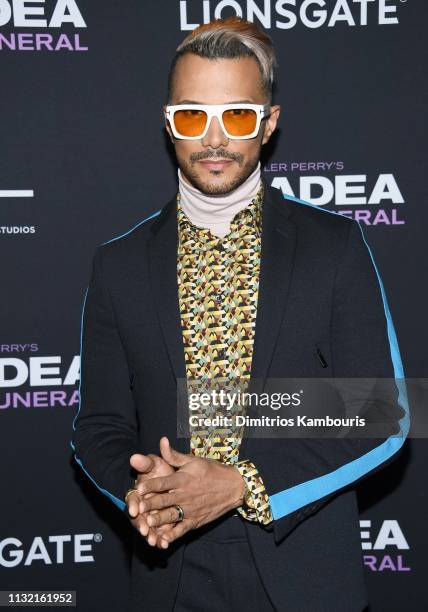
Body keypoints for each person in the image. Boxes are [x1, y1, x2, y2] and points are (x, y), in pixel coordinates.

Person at [71, 16, 409, 612]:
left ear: (269, 123)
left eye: (238, 116)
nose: (215, 138)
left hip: (305, 572)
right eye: (194, 114)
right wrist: (152, 496)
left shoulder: (335, 246)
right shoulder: (117, 264)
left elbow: (382, 410)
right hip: (169, 575)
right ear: (169, 121)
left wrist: (239, 484)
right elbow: (99, 425)